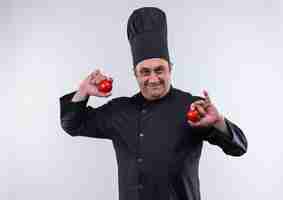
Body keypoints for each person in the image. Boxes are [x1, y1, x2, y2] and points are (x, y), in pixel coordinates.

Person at [59, 7, 247, 200]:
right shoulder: (119, 110)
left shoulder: (193, 108)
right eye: (145, 72)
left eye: (159, 70)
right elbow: (72, 124)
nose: (154, 79)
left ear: (170, 69)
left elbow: (239, 148)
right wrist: (83, 90)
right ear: (135, 73)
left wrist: (219, 122)